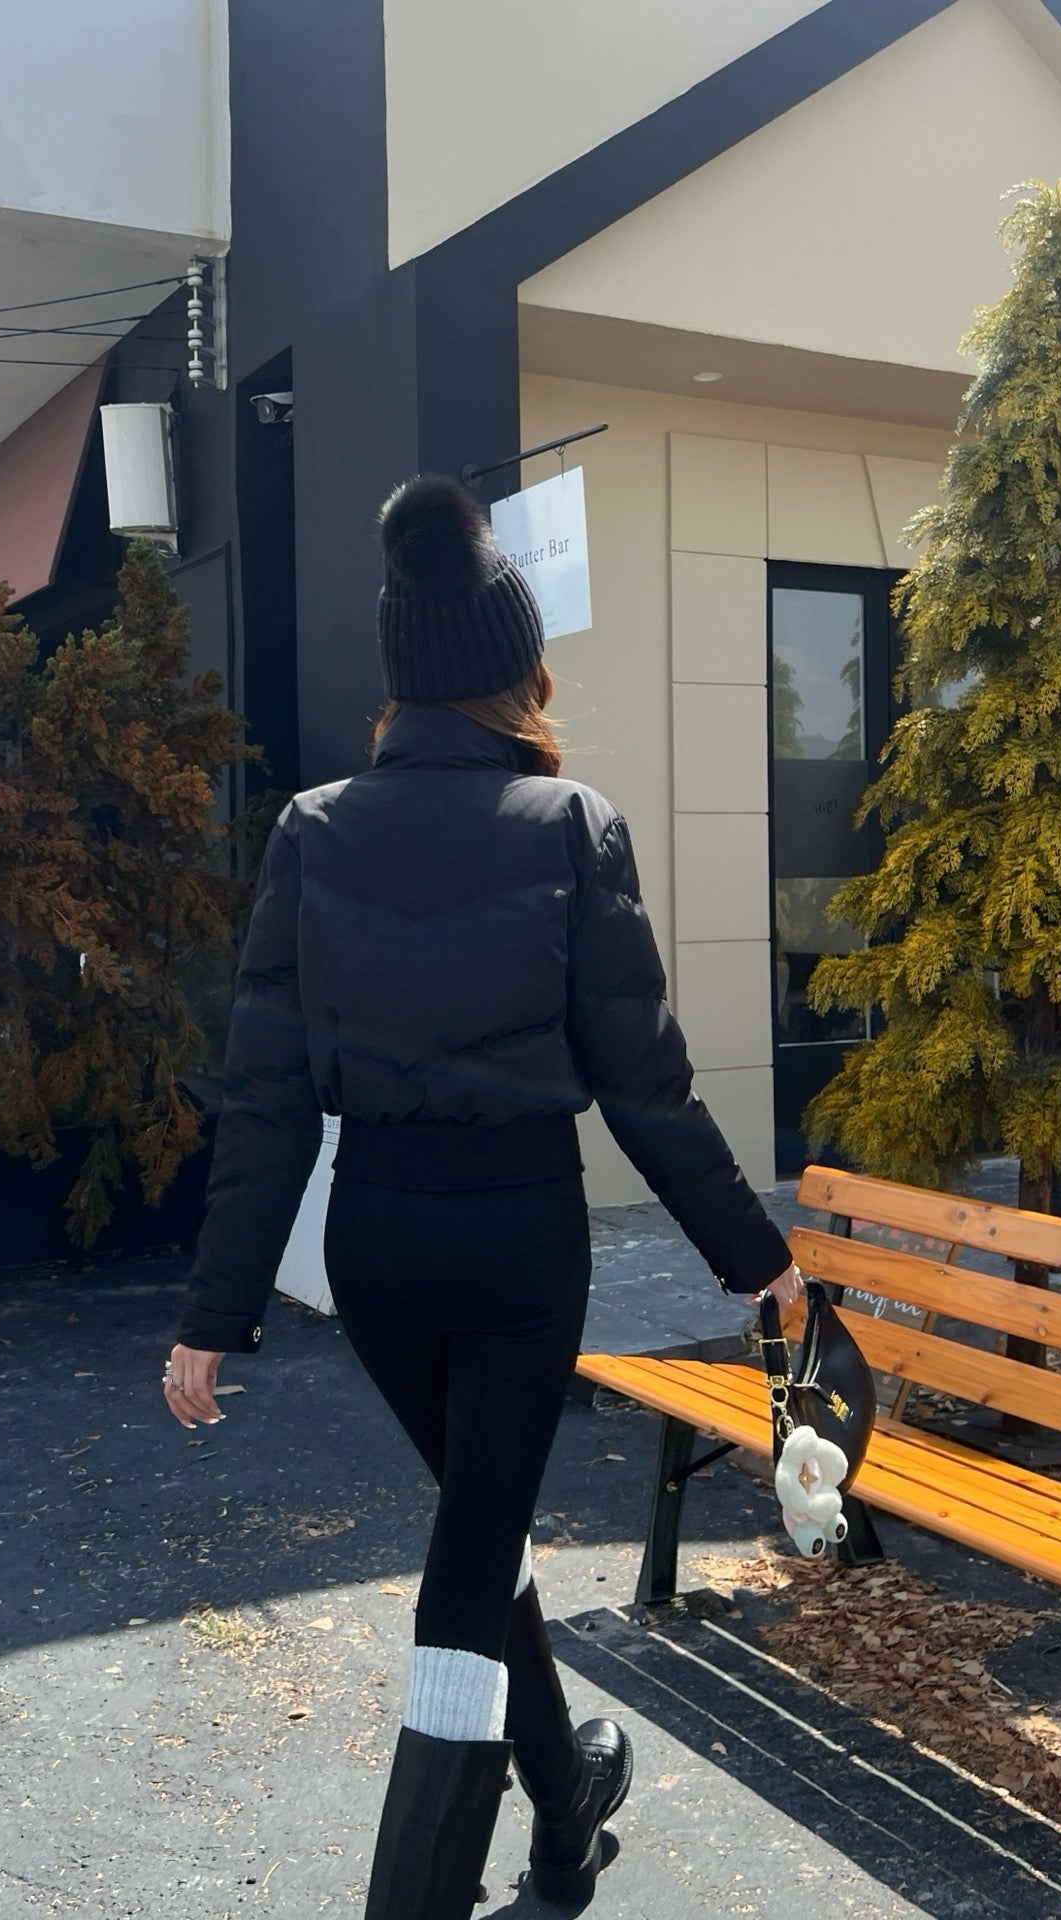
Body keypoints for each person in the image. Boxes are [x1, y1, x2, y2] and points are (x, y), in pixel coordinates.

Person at [161, 475, 801, 1918]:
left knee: (479, 1526)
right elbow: (644, 1080)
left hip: (379, 1245)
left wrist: (216, 1307)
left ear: (400, 675)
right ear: (517, 666)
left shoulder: (313, 829)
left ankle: (567, 1810)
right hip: (519, 1245)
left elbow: (265, 1093)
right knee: (470, 1567)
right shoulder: (570, 823)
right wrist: (754, 1254)